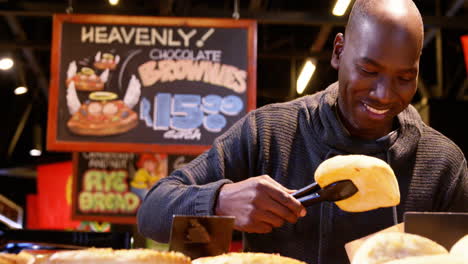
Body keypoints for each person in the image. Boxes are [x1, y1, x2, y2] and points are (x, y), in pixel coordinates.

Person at [137, 0, 468, 263]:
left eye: (405, 78)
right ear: (338, 51)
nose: (384, 94)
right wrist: (220, 201)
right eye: (369, 70)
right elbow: (152, 211)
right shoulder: (268, 133)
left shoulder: (442, 164)